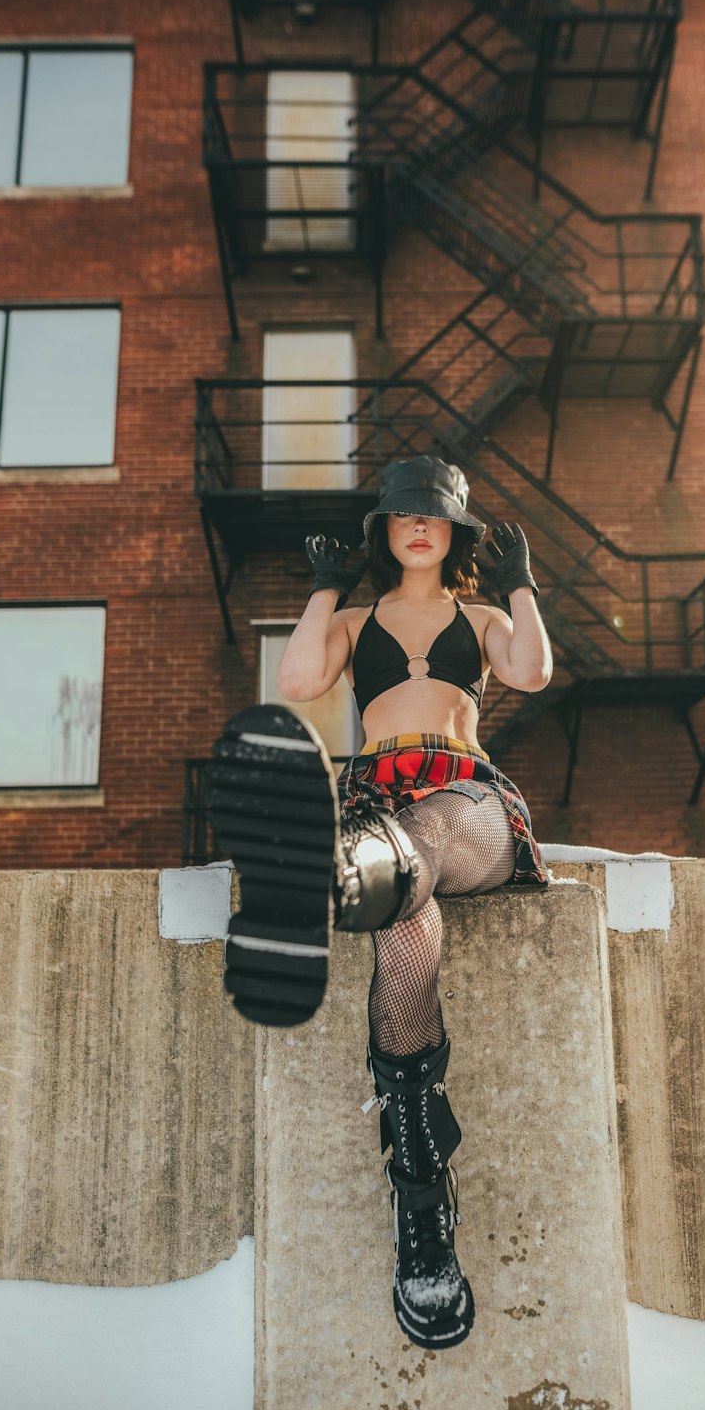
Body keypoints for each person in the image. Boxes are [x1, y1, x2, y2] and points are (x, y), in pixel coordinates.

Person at [206, 454, 552, 1351]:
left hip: (466, 803)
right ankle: (421, 1183)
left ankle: (372, 864)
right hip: (375, 796)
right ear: (384, 532)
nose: (419, 527)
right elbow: (296, 683)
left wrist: (521, 592)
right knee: (403, 930)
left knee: (414, 851)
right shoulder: (357, 620)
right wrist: (323, 590)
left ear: (456, 534)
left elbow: (534, 671)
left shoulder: (479, 615)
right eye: (403, 516)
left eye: (435, 517)